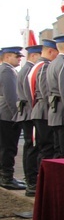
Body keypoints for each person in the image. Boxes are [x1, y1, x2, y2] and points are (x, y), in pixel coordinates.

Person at [29, 38, 59, 187]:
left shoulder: (37, 65)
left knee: (42, 148)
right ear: (50, 51)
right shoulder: (45, 67)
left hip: (39, 110)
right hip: (45, 112)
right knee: (47, 149)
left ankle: (40, 182)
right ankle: (43, 184)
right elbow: (47, 93)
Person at [16, 44, 41, 195]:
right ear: (33, 55)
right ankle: (31, 182)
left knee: (30, 146)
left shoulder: (26, 69)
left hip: (27, 112)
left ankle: (29, 180)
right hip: (30, 113)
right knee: (32, 146)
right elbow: (30, 94)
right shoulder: (30, 70)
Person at [0, 47, 26, 189]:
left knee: (5, 147)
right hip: (8, 115)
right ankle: (7, 178)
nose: (19, 59)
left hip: (5, 114)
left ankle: (5, 176)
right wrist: (18, 115)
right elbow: (11, 97)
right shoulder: (7, 71)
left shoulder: (6, 70)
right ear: (8, 56)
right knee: (8, 147)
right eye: (17, 56)